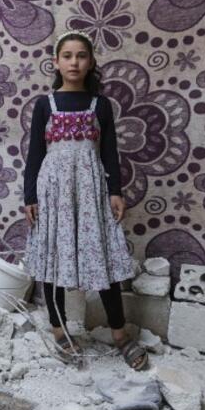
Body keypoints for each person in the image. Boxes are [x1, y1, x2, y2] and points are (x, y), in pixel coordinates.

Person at [21, 30, 145, 370]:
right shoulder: (45, 105)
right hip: (53, 191)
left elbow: (109, 152)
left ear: (90, 62)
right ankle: (59, 329)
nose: (74, 62)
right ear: (56, 62)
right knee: (53, 259)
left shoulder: (99, 105)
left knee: (101, 258)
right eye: (67, 56)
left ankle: (120, 334)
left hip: (91, 190)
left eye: (81, 56)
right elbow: (35, 154)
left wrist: (116, 191)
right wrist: (30, 196)